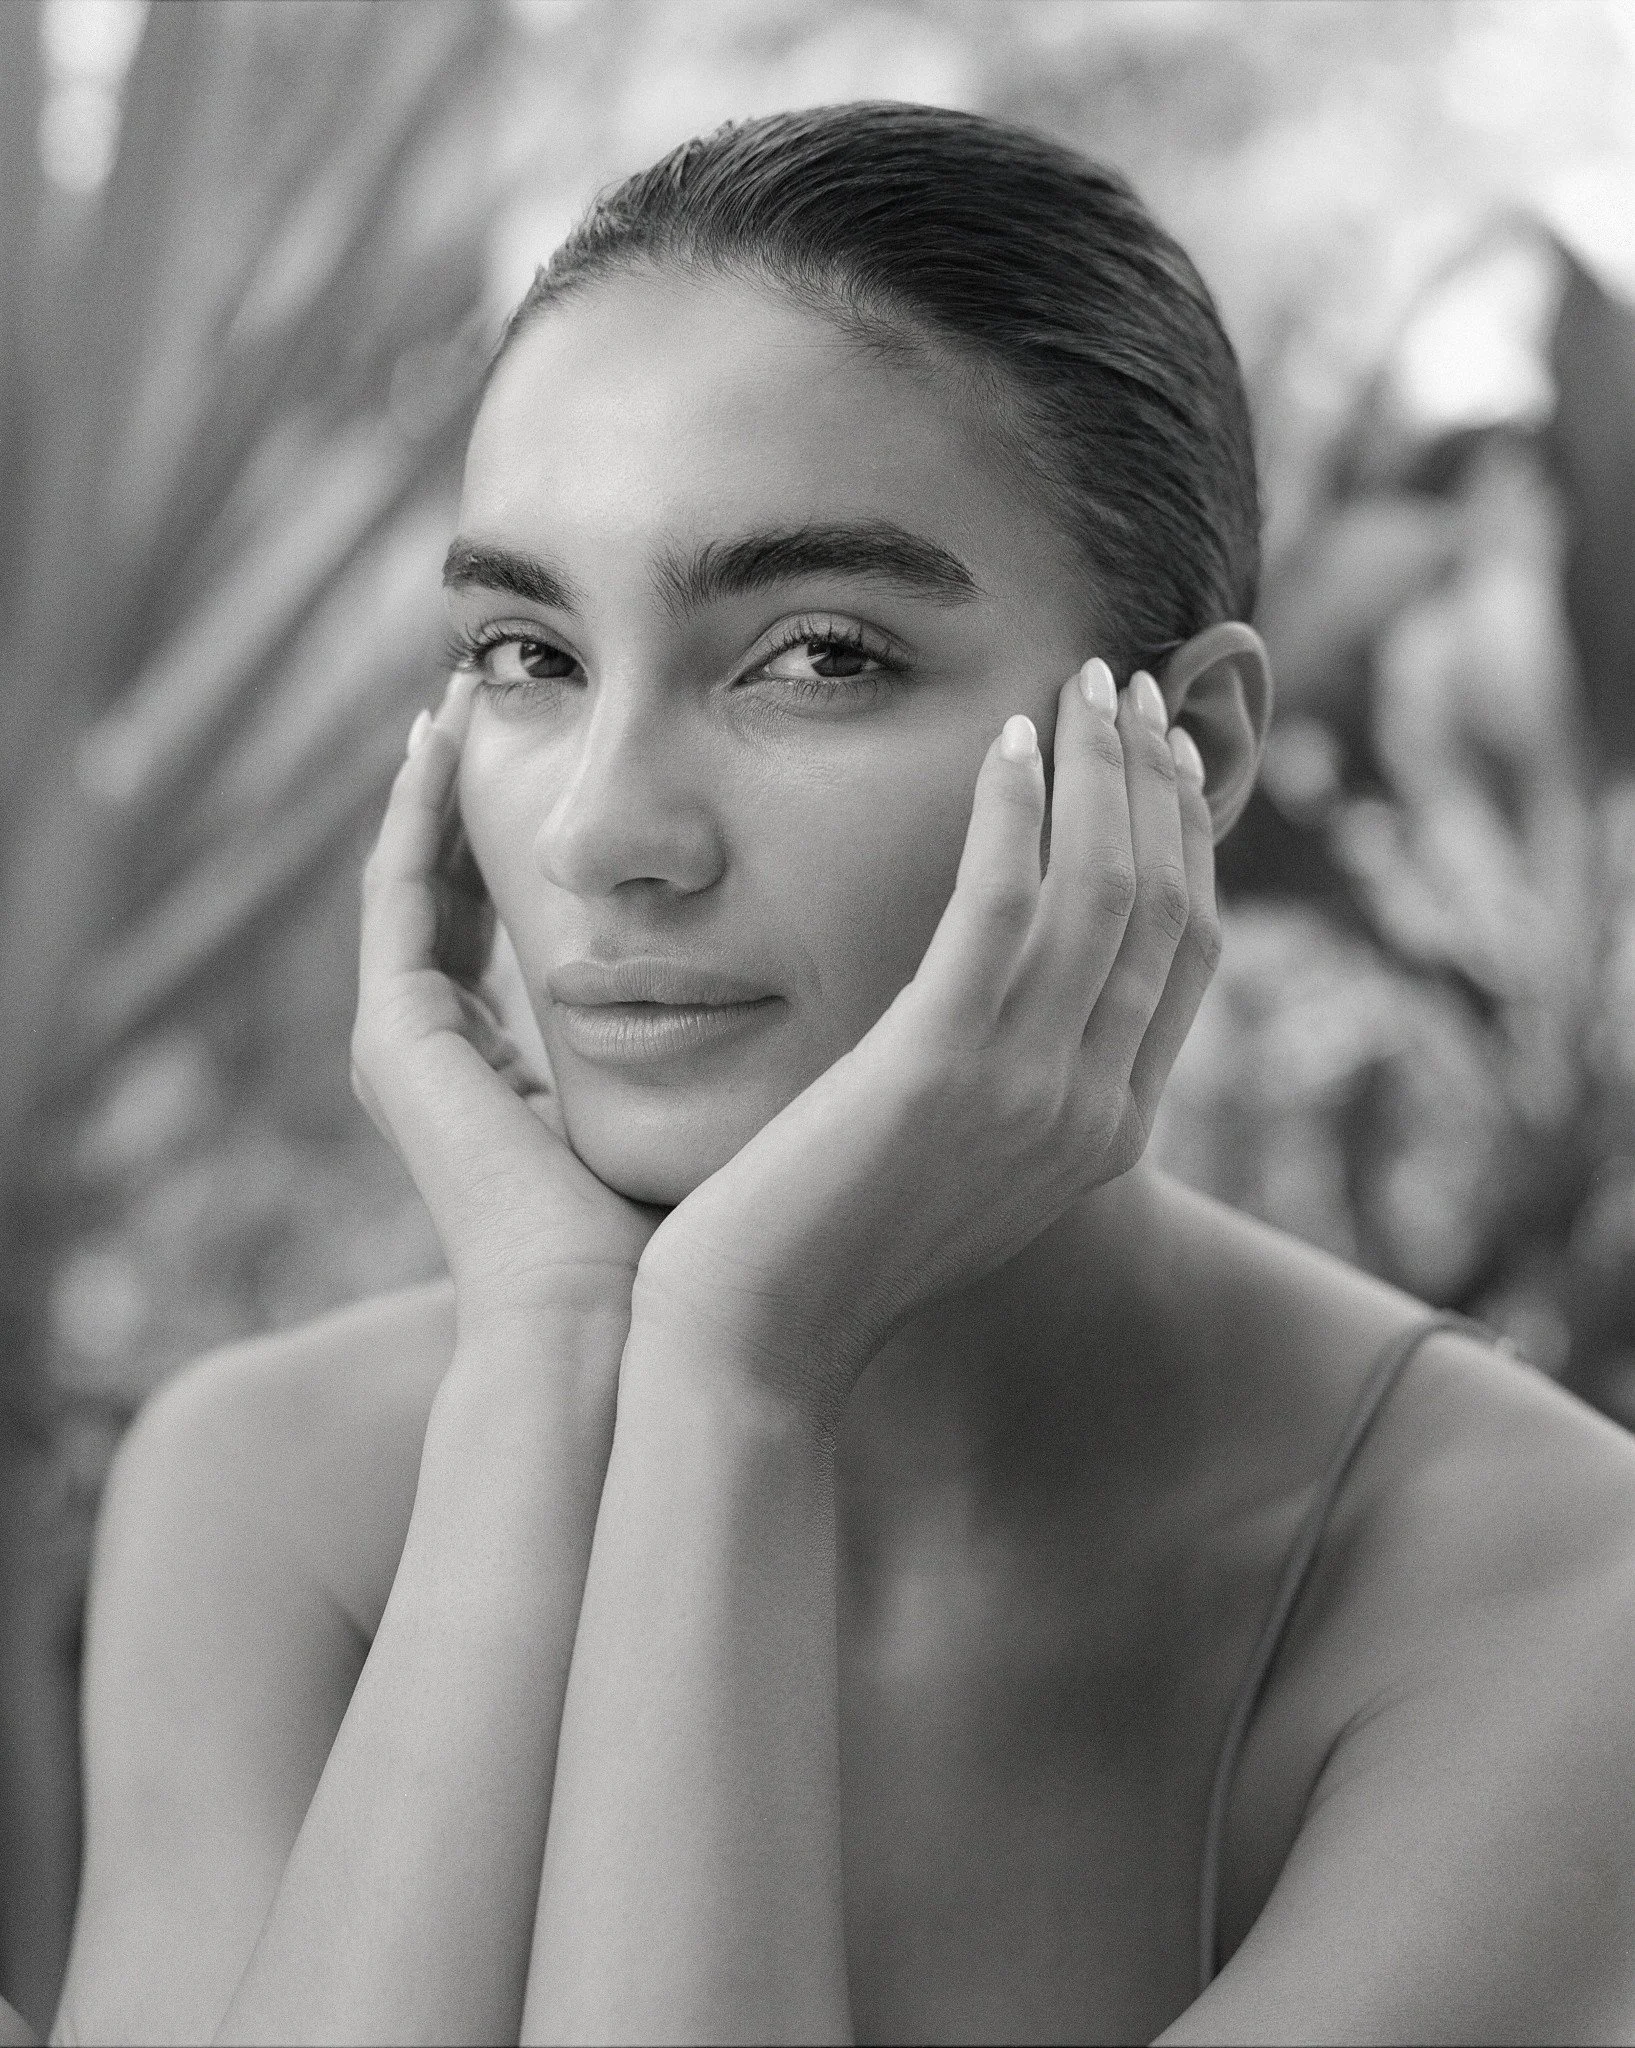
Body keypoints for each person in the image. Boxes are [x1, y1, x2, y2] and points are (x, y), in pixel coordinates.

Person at [51, 104, 1635, 2046]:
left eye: (814, 657)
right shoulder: (265, 1495)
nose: (603, 835)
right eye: (529, 652)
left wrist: (732, 1376)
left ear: (1187, 751)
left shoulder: (1548, 1591)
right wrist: (550, 1365)